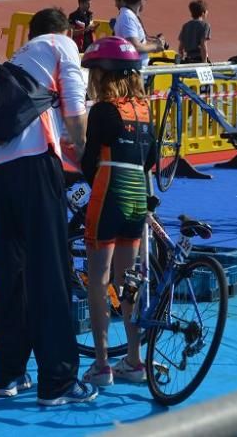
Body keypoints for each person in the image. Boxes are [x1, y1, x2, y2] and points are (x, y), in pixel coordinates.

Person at [0, 7, 97, 406]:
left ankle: (9, 373)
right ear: (66, 30)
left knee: (11, 269)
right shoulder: (61, 45)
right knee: (51, 269)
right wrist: (89, 163)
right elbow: (75, 111)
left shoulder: (17, 59)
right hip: (34, 162)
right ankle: (59, 381)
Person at [78, 36, 155, 387]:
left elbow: (88, 161)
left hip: (109, 194)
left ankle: (101, 363)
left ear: (104, 75)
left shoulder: (102, 111)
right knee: (130, 281)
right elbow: (151, 159)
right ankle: (135, 360)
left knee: (99, 279)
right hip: (138, 196)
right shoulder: (144, 110)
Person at [112, 0, 166, 67]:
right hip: (137, 73)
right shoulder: (128, 17)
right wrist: (155, 47)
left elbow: (138, 43)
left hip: (138, 70)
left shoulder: (128, 15)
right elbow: (134, 47)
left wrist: (154, 43)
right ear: (141, 0)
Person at [177, 0, 211, 64]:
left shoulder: (185, 26)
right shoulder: (205, 25)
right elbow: (203, 45)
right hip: (199, 59)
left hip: (188, 59)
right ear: (203, 13)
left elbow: (180, 47)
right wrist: (205, 62)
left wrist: (180, 60)